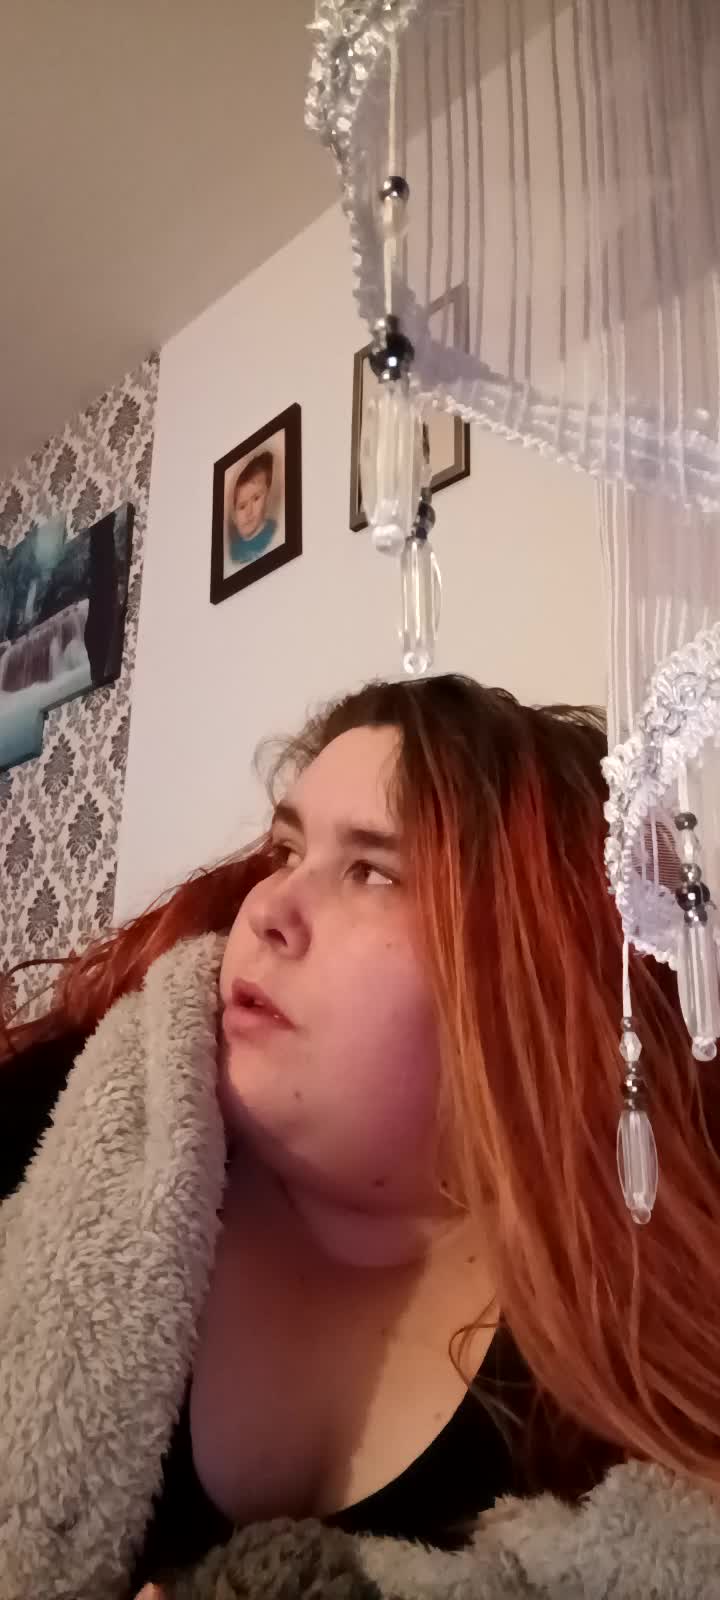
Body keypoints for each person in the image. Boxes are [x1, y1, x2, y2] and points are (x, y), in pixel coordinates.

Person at [2, 673, 720, 1600]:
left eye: (373, 871)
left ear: (530, 977)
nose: (265, 910)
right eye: (287, 850)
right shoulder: (51, 1121)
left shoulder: (625, 1355)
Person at [227, 450, 278, 565]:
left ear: (268, 496)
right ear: (233, 515)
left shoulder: (273, 533)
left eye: (256, 498)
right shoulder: (233, 549)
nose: (249, 512)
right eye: (242, 506)